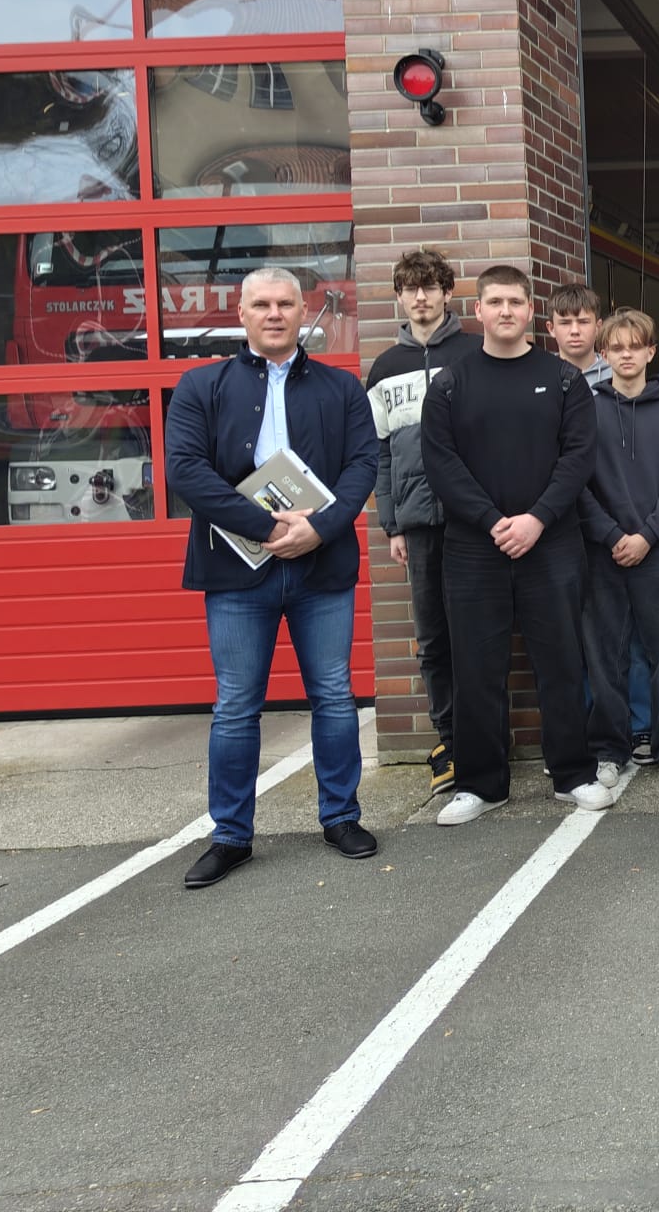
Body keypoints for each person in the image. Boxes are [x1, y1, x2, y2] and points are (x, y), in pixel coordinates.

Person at [166, 267, 381, 888]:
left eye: (285, 303)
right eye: (261, 304)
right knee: (236, 705)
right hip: (236, 572)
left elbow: (363, 464)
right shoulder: (202, 385)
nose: (274, 313)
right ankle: (231, 836)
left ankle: (341, 817)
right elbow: (186, 469)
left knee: (334, 696)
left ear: (302, 311)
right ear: (241, 313)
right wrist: (266, 528)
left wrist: (321, 528)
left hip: (322, 567)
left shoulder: (341, 388)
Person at [420, 264, 603, 825]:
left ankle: (573, 774)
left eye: (515, 302)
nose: (505, 311)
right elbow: (440, 463)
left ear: (530, 311)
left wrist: (537, 519)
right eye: (495, 302)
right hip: (474, 548)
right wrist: (493, 521)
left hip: (552, 542)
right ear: (477, 310)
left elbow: (579, 457)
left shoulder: (564, 380)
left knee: (562, 662)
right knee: (476, 668)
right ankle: (481, 784)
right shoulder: (450, 383)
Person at [365, 246, 481, 795]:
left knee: (478, 633)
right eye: (410, 289)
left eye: (430, 287)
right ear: (399, 296)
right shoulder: (386, 368)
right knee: (433, 639)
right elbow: (380, 452)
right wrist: (391, 524)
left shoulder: (475, 353)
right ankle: (450, 742)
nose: (420, 297)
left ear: (447, 292)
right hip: (417, 524)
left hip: (474, 519)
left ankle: (482, 738)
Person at [578, 308, 659, 783]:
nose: (626, 355)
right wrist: (613, 536)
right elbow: (577, 485)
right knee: (605, 655)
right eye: (616, 348)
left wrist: (647, 536)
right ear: (604, 353)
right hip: (602, 551)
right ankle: (610, 749)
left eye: (635, 347)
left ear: (652, 352)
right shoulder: (586, 410)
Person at [546, 281, 612, 390]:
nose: (575, 331)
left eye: (583, 322)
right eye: (565, 323)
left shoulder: (616, 374)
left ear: (598, 327)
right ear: (551, 328)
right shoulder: (538, 375)